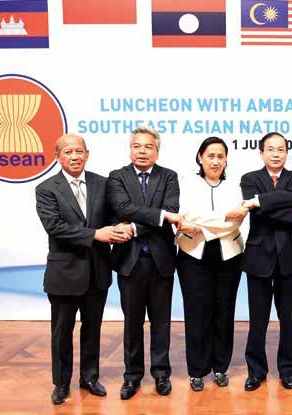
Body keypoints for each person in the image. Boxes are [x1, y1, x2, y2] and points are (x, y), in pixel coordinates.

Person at [36, 134, 132, 405]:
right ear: (57, 157)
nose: (75, 157)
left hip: (97, 272)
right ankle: (61, 383)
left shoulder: (103, 183)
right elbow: (55, 227)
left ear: (87, 154)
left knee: (93, 330)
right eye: (68, 152)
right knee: (61, 332)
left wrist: (120, 227)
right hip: (64, 274)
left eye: (79, 151)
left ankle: (90, 377)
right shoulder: (46, 189)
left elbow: (113, 217)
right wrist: (96, 235)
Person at [106, 126, 181, 399]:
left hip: (161, 260)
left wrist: (135, 227)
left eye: (148, 146)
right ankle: (132, 376)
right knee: (132, 322)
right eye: (137, 146)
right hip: (130, 261)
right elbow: (121, 208)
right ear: (130, 149)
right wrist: (160, 217)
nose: (142, 150)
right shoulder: (117, 177)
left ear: (157, 150)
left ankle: (161, 374)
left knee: (161, 322)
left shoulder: (169, 177)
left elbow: (171, 211)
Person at [175, 136, 247, 391]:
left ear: (226, 159)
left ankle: (220, 367)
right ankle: (197, 370)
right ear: (200, 157)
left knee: (224, 311)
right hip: (192, 254)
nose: (215, 161)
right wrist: (224, 216)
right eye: (210, 156)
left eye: (220, 156)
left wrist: (204, 223)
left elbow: (237, 221)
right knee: (196, 312)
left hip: (229, 255)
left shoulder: (235, 186)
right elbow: (186, 215)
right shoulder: (187, 183)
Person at [240, 132, 292, 391]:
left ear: (287, 153)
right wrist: (282, 206)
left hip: (289, 255)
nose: (276, 154)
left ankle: (287, 369)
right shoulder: (249, 178)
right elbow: (286, 203)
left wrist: (259, 202)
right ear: (261, 152)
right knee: (258, 318)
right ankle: (256, 370)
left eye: (281, 149)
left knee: (288, 316)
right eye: (271, 149)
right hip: (258, 256)